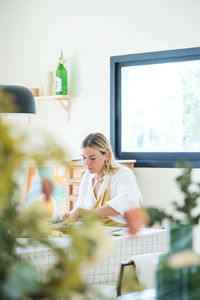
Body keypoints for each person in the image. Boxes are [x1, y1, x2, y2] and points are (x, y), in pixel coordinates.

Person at [62, 133, 142, 226]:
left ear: (107, 155)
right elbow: (81, 206)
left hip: (126, 234)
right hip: (100, 234)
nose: (86, 163)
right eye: (83, 158)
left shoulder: (122, 174)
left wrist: (91, 213)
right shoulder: (87, 177)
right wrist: (71, 215)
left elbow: (128, 201)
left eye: (92, 158)